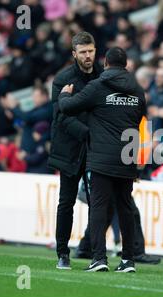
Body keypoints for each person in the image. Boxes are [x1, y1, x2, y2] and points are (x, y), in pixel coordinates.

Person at [59, 47, 146, 273]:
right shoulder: (137, 89)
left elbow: (68, 108)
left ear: (105, 63)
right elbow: (141, 117)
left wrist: (64, 94)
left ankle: (99, 258)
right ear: (126, 64)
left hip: (101, 158)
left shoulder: (97, 86)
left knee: (99, 207)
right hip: (127, 157)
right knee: (125, 207)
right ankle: (128, 260)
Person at [47, 31, 103, 270]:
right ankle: (63, 253)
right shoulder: (63, 79)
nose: (88, 56)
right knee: (66, 202)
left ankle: (95, 253)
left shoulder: (104, 76)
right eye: (83, 52)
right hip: (70, 150)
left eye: (90, 51)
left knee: (99, 203)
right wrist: (89, 133)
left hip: (96, 151)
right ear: (74, 54)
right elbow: (60, 118)